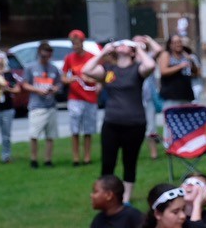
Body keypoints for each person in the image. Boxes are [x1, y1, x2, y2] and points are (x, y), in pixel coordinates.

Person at [84, 36, 159, 205]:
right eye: (121, 44)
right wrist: (103, 52)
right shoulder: (109, 70)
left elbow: (151, 65)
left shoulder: (138, 69)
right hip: (111, 123)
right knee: (108, 162)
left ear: (132, 52)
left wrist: (138, 47)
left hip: (135, 124)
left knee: (129, 161)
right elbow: (87, 70)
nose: (122, 45)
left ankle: (125, 199)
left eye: (126, 45)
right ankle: (105, 195)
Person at [61, 29, 99, 167]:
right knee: (75, 129)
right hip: (74, 97)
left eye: (76, 43)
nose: (74, 46)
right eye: (73, 44)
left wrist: (90, 79)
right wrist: (71, 79)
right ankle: (76, 157)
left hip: (90, 97)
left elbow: (100, 76)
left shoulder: (92, 57)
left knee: (88, 130)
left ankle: (87, 156)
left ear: (82, 42)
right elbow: (63, 78)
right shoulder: (69, 58)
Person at [24, 42, 61, 168]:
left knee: (50, 135)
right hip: (37, 106)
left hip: (51, 106)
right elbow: (25, 84)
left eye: (49, 56)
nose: (46, 59)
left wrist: (55, 89)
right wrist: (37, 90)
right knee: (34, 135)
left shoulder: (54, 68)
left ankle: (48, 160)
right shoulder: (31, 68)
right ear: (39, 54)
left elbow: (59, 83)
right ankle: (34, 159)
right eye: (44, 56)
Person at [157, 34, 199, 110]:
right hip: (171, 95)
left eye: (180, 42)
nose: (178, 44)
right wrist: (180, 66)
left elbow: (196, 72)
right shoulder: (166, 54)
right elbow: (163, 71)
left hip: (186, 94)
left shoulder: (185, 54)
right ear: (170, 44)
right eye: (175, 42)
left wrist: (191, 61)